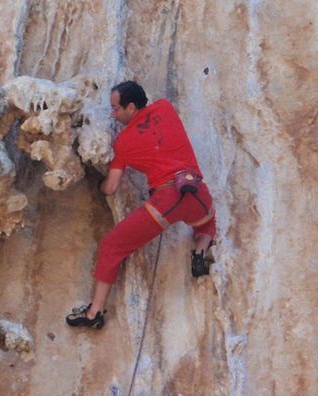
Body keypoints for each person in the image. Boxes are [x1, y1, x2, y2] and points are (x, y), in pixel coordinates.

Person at [66, 80, 216, 330]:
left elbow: (111, 187)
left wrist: (98, 182)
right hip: (198, 192)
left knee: (112, 246)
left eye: (116, 108)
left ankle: (94, 312)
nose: (113, 114)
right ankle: (200, 248)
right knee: (208, 223)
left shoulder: (123, 143)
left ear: (131, 107)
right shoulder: (165, 107)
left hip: (166, 200)